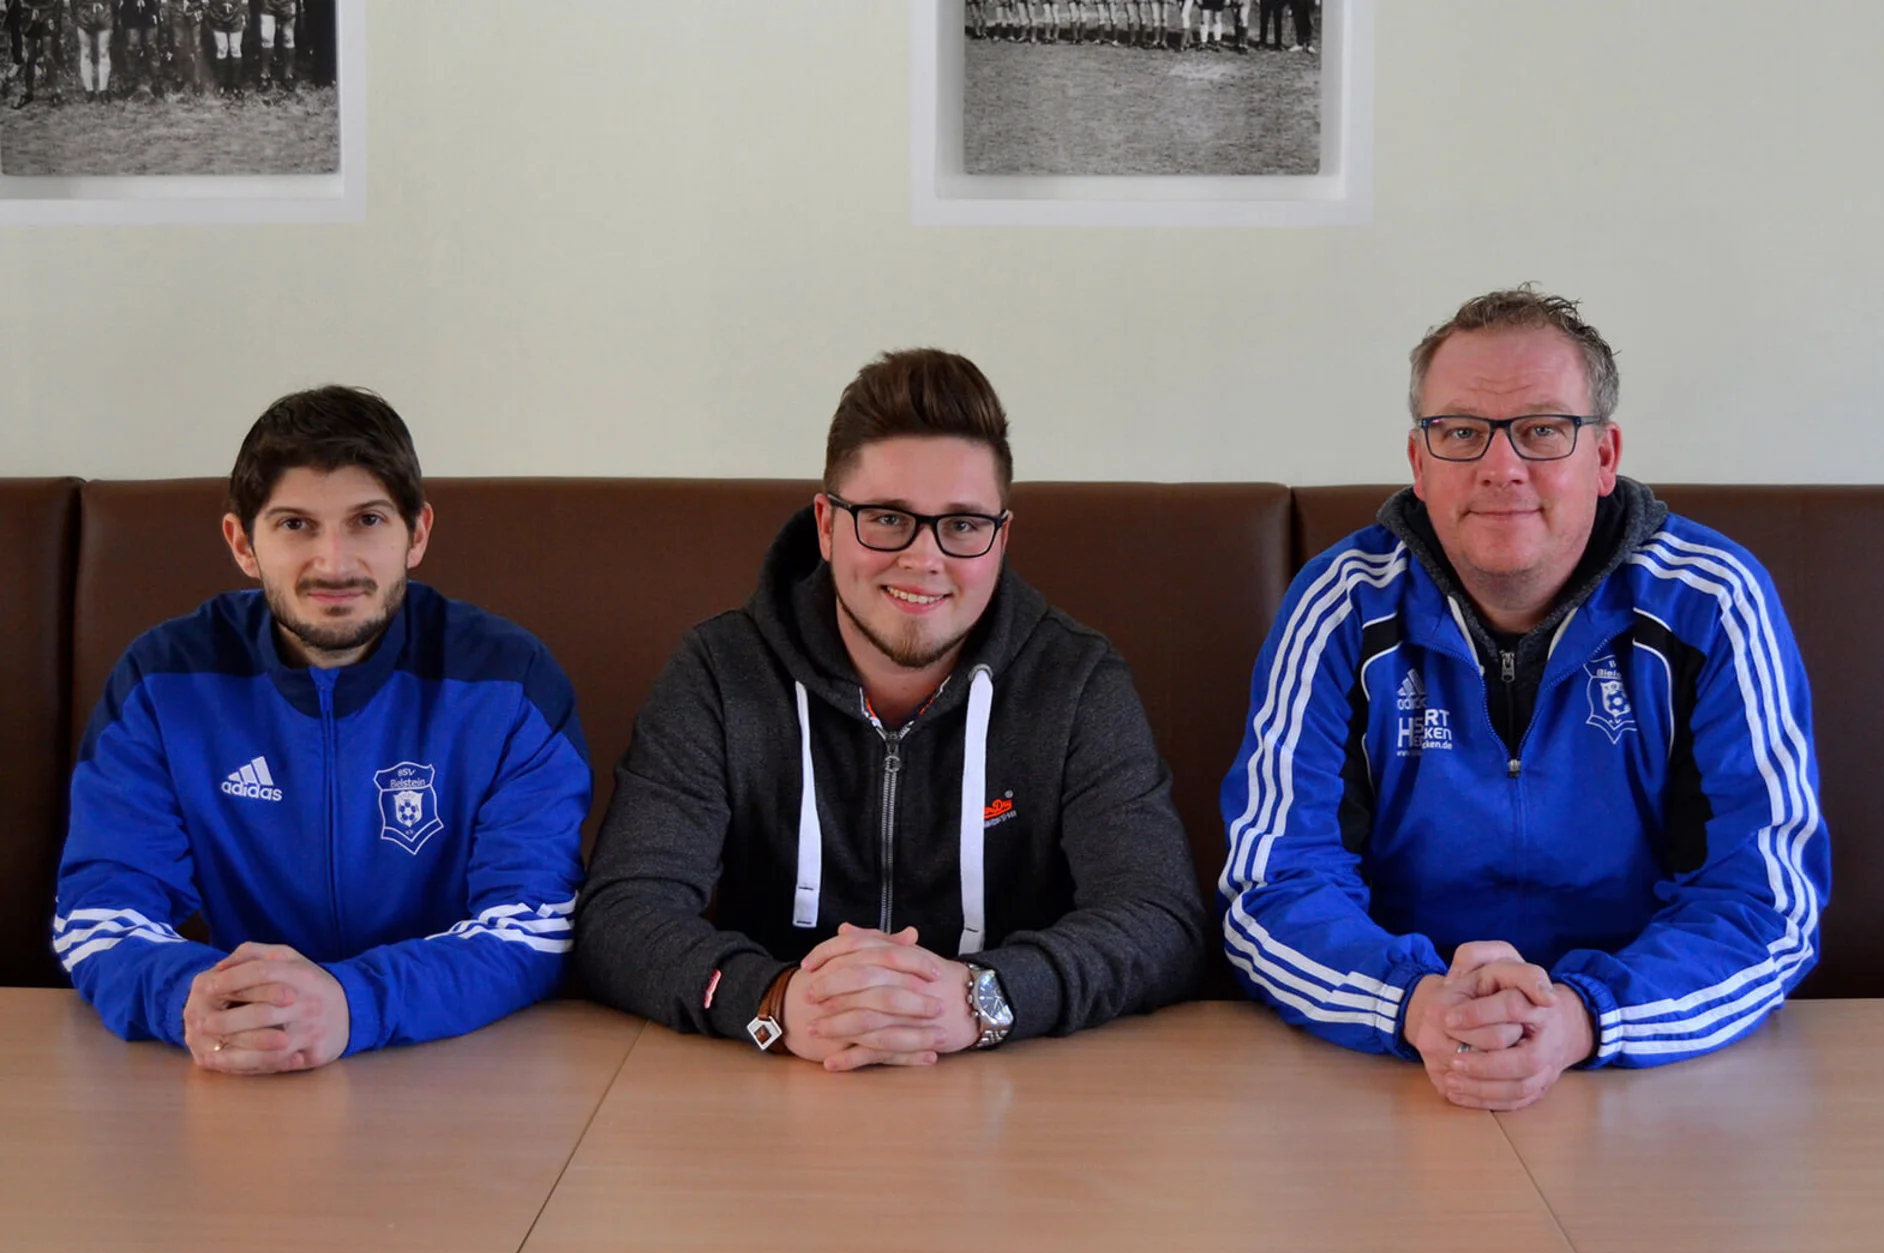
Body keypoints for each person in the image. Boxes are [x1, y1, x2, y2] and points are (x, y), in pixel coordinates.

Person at [1220, 286, 1829, 1110]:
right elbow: (1274, 885)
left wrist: (1584, 1016)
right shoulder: (1338, 605)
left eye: (1543, 430)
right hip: (1394, 1070)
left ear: (1605, 457)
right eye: (1462, 433)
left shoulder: (1714, 603)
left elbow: (1766, 900)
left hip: (1649, 1081)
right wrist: (1415, 1004)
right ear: (1419, 463)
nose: (1501, 468)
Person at [577, 349, 1205, 1071]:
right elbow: (622, 914)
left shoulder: (1076, 681)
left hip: (1014, 1088)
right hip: (781, 1090)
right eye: (886, 519)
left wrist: (981, 999)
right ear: (825, 524)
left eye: (963, 525)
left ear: (1001, 537)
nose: (924, 557)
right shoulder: (721, 672)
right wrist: (774, 1002)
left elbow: (1160, 918)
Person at [53, 386, 590, 1074]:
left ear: (417, 533)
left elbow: (534, 929)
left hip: (458, 1063)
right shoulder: (162, 680)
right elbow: (101, 914)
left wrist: (349, 1002)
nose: (334, 563)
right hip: (242, 1065)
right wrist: (198, 997)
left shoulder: (512, 682)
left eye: (366, 520)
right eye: (296, 525)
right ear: (242, 542)